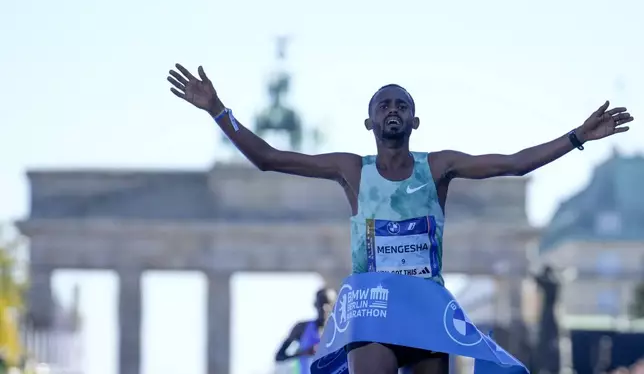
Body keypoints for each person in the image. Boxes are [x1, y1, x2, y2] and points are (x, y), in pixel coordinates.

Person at [166, 63, 634, 374]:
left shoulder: (439, 167)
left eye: (402, 105)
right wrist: (217, 110)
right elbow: (267, 158)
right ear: (369, 123)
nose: (393, 110)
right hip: (371, 310)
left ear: (414, 121)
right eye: (383, 105)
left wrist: (577, 137)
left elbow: (512, 163)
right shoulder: (351, 170)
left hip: (426, 309)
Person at [275, 288, 337, 374]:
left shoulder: (341, 332)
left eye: (329, 304)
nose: (324, 308)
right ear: (315, 304)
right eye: (321, 303)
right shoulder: (301, 327)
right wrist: (304, 352)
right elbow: (279, 356)